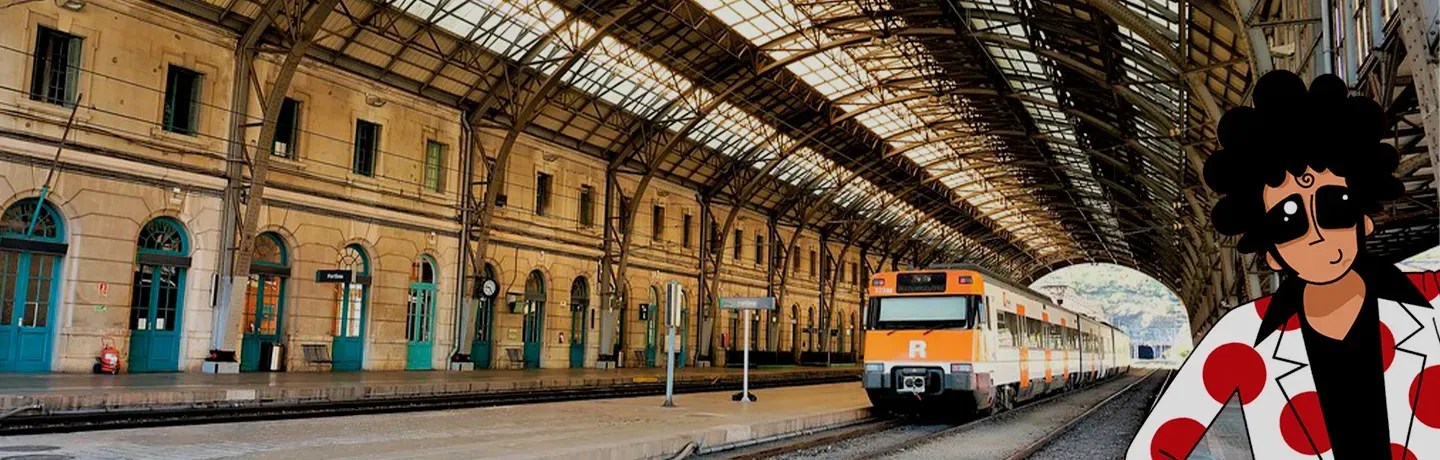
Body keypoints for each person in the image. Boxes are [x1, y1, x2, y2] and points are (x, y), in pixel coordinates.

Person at [1125, 70, 1440, 459]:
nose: (1317, 232)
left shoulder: (1434, 303)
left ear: (1365, 221)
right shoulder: (1242, 338)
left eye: (1334, 207)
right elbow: (1153, 449)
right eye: (1289, 222)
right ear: (1271, 252)